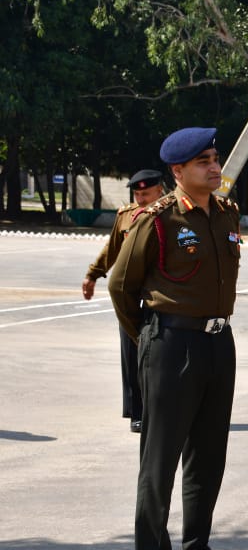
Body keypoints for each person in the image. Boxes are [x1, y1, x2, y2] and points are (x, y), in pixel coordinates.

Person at [107, 127, 244, 550]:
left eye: (215, 156)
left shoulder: (227, 212)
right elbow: (121, 285)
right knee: (160, 460)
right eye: (202, 160)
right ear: (178, 172)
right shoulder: (156, 219)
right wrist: (146, 339)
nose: (214, 165)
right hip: (171, 344)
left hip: (217, 342)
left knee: (208, 457)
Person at [82, 169, 164, 433]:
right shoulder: (126, 216)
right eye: (137, 193)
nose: (141, 198)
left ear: (159, 191)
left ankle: (163, 406)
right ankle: (136, 411)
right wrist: (93, 274)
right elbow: (112, 249)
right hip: (130, 296)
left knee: (161, 355)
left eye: (146, 193)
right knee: (131, 353)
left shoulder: (173, 214)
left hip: (160, 297)